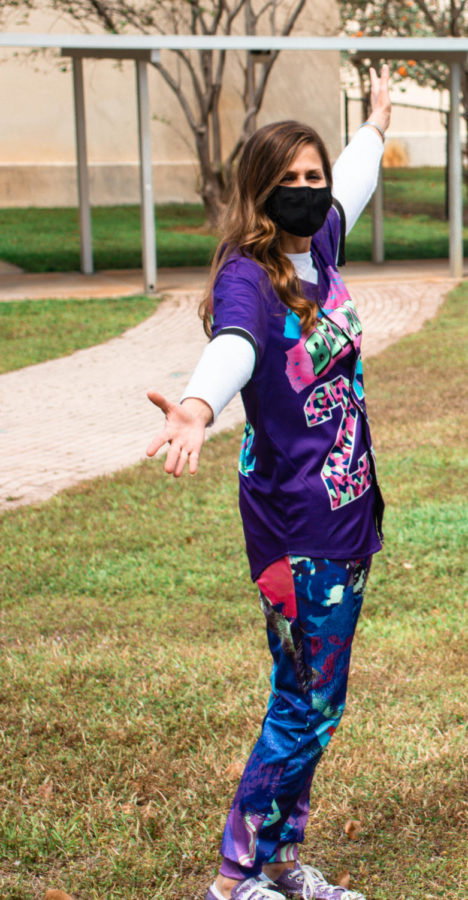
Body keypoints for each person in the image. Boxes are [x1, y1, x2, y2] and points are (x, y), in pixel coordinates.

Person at [146, 65, 391, 900]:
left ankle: (282, 862)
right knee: (306, 705)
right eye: (286, 181)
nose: (305, 192)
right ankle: (235, 875)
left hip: (346, 515)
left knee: (311, 699)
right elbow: (239, 346)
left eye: (311, 179)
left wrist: (376, 125)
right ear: (258, 191)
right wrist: (196, 404)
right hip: (298, 526)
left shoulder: (317, 244)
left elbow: (351, 183)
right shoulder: (250, 275)